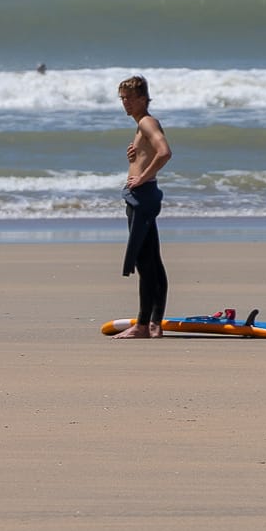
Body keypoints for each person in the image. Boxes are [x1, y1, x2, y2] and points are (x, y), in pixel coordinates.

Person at [112, 76, 172, 339]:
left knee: (145, 262)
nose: (125, 103)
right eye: (122, 98)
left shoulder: (147, 122)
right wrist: (136, 155)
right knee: (152, 261)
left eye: (129, 98)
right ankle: (154, 324)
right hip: (142, 196)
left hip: (143, 196)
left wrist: (142, 177)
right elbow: (151, 151)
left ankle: (142, 324)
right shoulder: (141, 127)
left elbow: (165, 152)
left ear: (143, 99)